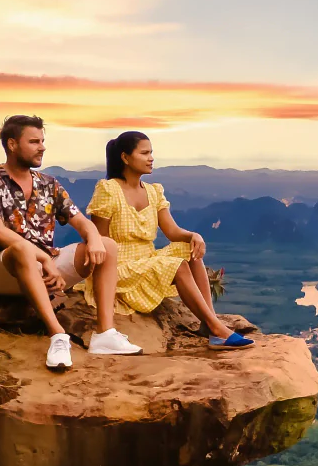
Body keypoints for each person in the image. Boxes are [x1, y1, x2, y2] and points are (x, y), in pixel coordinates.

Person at [0, 114, 140, 372]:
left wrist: (94, 238)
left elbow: (80, 221)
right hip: (3, 271)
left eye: (42, 141)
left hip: (47, 267)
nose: (42, 147)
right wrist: (41, 259)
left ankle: (105, 334)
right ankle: (58, 336)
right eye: (34, 141)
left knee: (107, 245)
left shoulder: (49, 185)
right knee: (20, 250)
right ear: (12, 144)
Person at [79, 131, 254, 350]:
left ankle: (208, 323)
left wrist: (193, 236)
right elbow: (100, 240)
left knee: (186, 249)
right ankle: (218, 330)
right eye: (144, 153)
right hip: (121, 267)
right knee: (177, 266)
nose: (151, 158)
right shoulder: (109, 190)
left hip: (147, 259)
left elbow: (172, 232)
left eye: (151, 152)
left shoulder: (154, 192)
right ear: (125, 157)